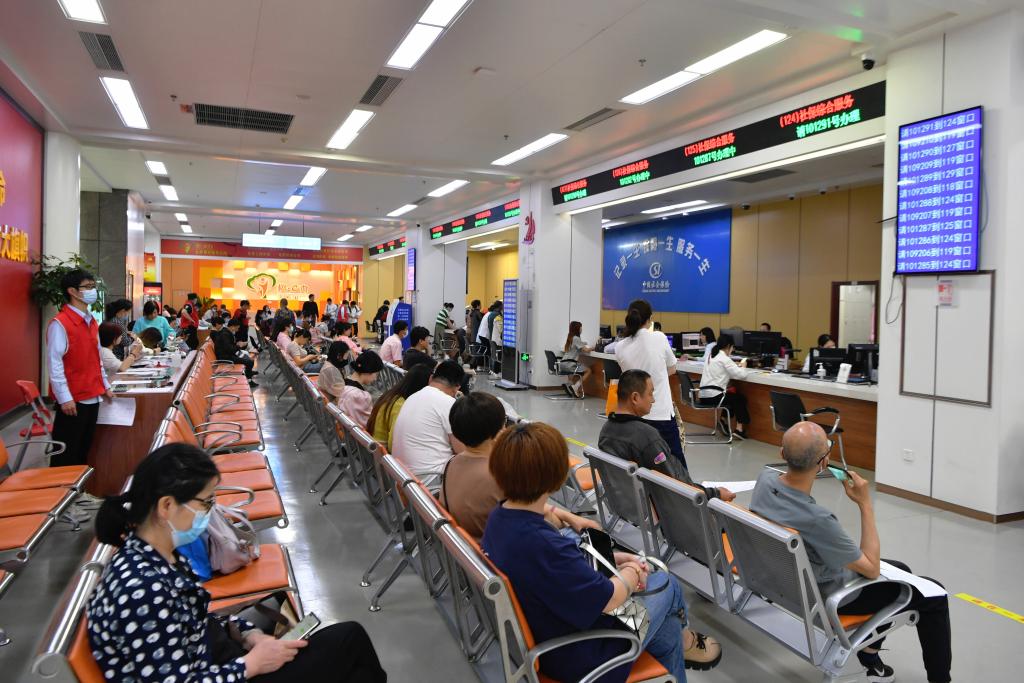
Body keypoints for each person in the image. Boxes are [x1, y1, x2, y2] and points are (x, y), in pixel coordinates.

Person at [88, 443, 387, 682]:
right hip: (226, 671)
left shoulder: (159, 555)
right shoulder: (141, 588)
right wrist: (250, 665)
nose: (210, 511)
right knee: (349, 642)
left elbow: (198, 621)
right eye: (206, 502)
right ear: (167, 505)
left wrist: (248, 635)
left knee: (347, 651)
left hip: (221, 660)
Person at [483, 422, 721, 683]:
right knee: (666, 583)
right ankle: (686, 643)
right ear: (555, 475)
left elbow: (561, 573)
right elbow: (610, 599)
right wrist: (633, 570)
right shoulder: (543, 545)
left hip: (551, 629)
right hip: (585, 653)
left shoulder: (500, 518)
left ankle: (680, 646)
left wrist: (612, 560)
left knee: (667, 625)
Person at [751, 423, 952, 683]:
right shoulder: (818, 520)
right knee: (934, 593)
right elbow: (871, 568)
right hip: (828, 597)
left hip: (786, 583)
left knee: (901, 569)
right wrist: (865, 504)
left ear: (782, 453)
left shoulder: (764, 479)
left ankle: (870, 655)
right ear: (823, 462)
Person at [600, 369, 735, 502]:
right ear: (635, 398)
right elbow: (675, 482)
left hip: (624, 503)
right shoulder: (647, 436)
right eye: (650, 394)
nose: (653, 400)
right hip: (659, 507)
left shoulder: (606, 430)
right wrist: (715, 493)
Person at [47, 269, 114, 469]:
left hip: (93, 394)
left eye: (93, 287)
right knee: (66, 454)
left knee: (84, 450)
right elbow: (55, 364)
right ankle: (59, 488)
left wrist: (105, 385)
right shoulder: (60, 323)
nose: (92, 291)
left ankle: (78, 488)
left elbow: (96, 358)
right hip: (73, 399)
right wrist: (64, 398)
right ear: (72, 291)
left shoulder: (91, 321)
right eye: (88, 287)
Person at [613, 299, 686, 467]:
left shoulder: (620, 347)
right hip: (660, 414)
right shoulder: (659, 338)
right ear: (650, 319)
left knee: (642, 465)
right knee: (676, 466)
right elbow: (672, 369)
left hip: (634, 416)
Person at [390, 360, 466, 481]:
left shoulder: (412, 397)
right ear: (457, 387)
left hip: (402, 478)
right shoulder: (449, 403)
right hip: (430, 480)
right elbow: (462, 451)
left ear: (431, 378)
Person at [367, 363, 433, 452]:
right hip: (384, 454)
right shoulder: (400, 405)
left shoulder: (392, 396)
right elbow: (394, 443)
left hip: (377, 449)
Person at [700, 335, 750, 439]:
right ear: (728, 346)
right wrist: (744, 366)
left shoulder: (712, 355)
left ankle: (723, 420)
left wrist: (733, 365)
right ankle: (739, 429)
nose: (732, 350)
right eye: (732, 347)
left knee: (732, 396)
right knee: (740, 399)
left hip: (704, 396)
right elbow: (742, 375)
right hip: (714, 396)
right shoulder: (724, 359)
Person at [335, 351, 384, 429]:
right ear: (368, 371)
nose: (375, 379)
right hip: (356, 433)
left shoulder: (342, 384)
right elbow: (369, 424)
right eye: (376, 374)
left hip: (344, 430)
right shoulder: (361, 396)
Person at [213, 317, 256, 385]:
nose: (237, 330)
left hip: (226, 355)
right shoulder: (225, 335)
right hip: (225, 358)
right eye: (237, 328)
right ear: (233, 327)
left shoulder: (225, 332)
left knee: (249, 359)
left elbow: (229, 347)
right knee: (249, 361)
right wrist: (239, 345)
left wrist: (237, 344)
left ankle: (249, 373)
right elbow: (230, 349)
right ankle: (249, 381)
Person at [560, 321, 593, 397]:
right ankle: (576, 387)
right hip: (569, 364)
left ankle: (569, 384)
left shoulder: (571, 337)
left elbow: (578, 344)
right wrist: (595, 347)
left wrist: (583, 343)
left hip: (563, 363)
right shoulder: (576, 338)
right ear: (577, 329)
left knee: (572, 370)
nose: (581, 329)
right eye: (581, 327)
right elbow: (586, 350)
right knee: (588, 370)